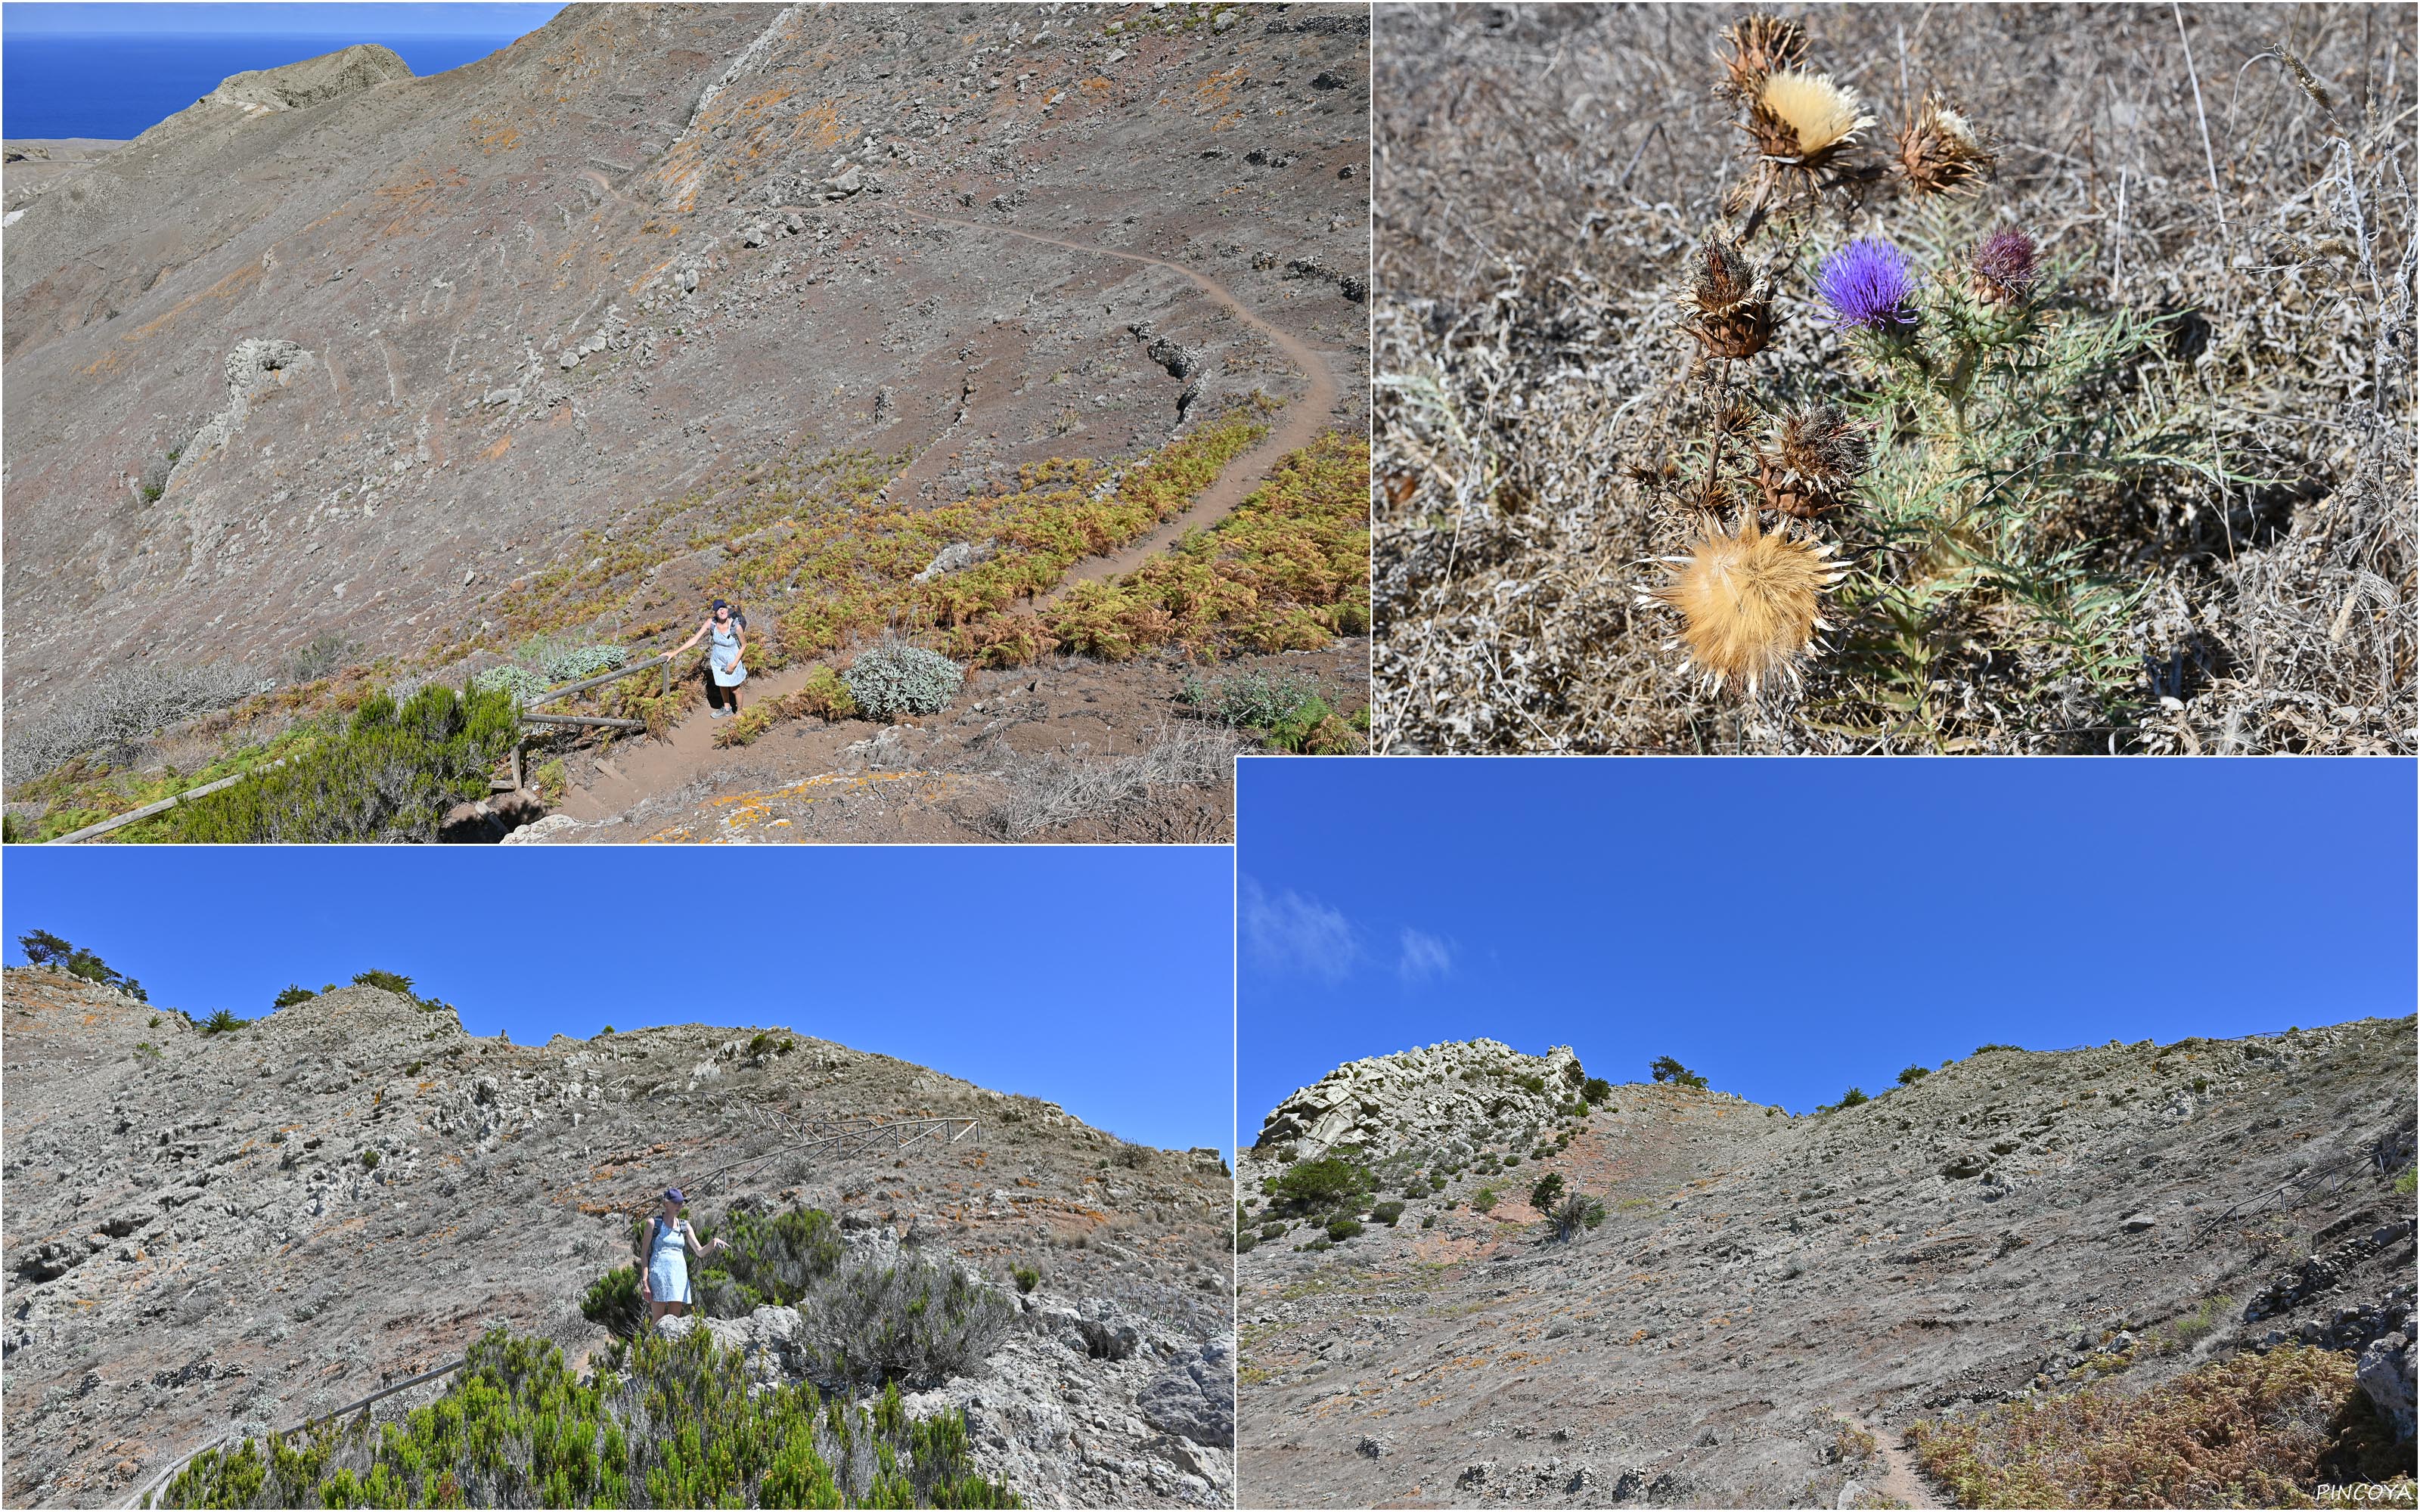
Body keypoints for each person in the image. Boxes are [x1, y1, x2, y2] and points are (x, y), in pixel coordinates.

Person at [637, 1188, 727, 1324]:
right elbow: (644, 1255)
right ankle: (655, 1346)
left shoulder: (685, 1226)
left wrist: (713, 1243)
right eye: (676, 1203)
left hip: (679, 1277)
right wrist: (645, 1282)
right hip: (659, 1277)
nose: (680, 1206)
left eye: (681, 1203)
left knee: (674, 1323)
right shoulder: (653, 1224)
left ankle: (671, 1346)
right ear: (666, 1203)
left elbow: (700, 1251)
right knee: (657, 1324)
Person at [671, 600, 749, 716]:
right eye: (718, 609)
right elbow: (694, 640)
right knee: (722, 684)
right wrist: (674, 653)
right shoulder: (710, 623)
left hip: (733, 660)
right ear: (715, 613)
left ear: (727, 609)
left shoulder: (735, 626)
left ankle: (740, 712)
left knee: (735, 689)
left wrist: (733, 665)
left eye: (723, 607)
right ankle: (727, 708)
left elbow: (744, 646)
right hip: (718, 660)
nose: (722, 610)